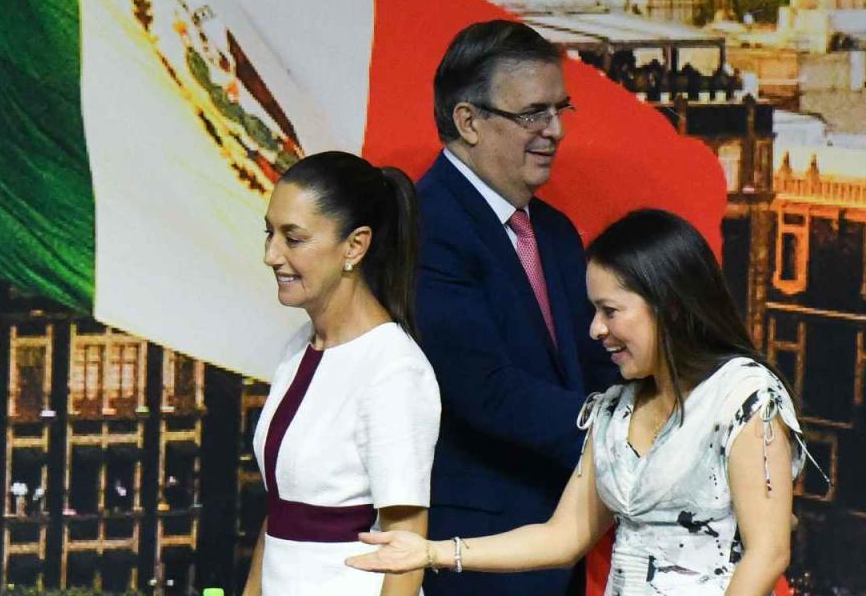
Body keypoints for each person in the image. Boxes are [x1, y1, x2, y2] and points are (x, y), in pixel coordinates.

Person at [347, 208, 815, 595]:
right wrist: (432, 553)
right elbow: (564, 535)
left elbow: (768, 551)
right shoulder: (614, 410)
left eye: (610, 311)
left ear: (670, 305)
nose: (595, 329)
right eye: (593, 310)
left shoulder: (747, 397)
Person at [413, 19, 618, 595]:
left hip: (566, 541)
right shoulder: (426, 225)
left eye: (560, 110)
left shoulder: (552, 231)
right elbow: (486, 390)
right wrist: (630, 438)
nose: (554, 131)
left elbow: (598, 360)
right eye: (532, 113)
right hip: (478, 553)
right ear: (468, 121)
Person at [243, 151, 441, 596]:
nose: (270, 255)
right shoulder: (297, 347)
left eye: (293, 239)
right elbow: (280, 514)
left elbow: (406, 553)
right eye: (269, 233)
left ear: (355, 246)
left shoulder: (394, 369)